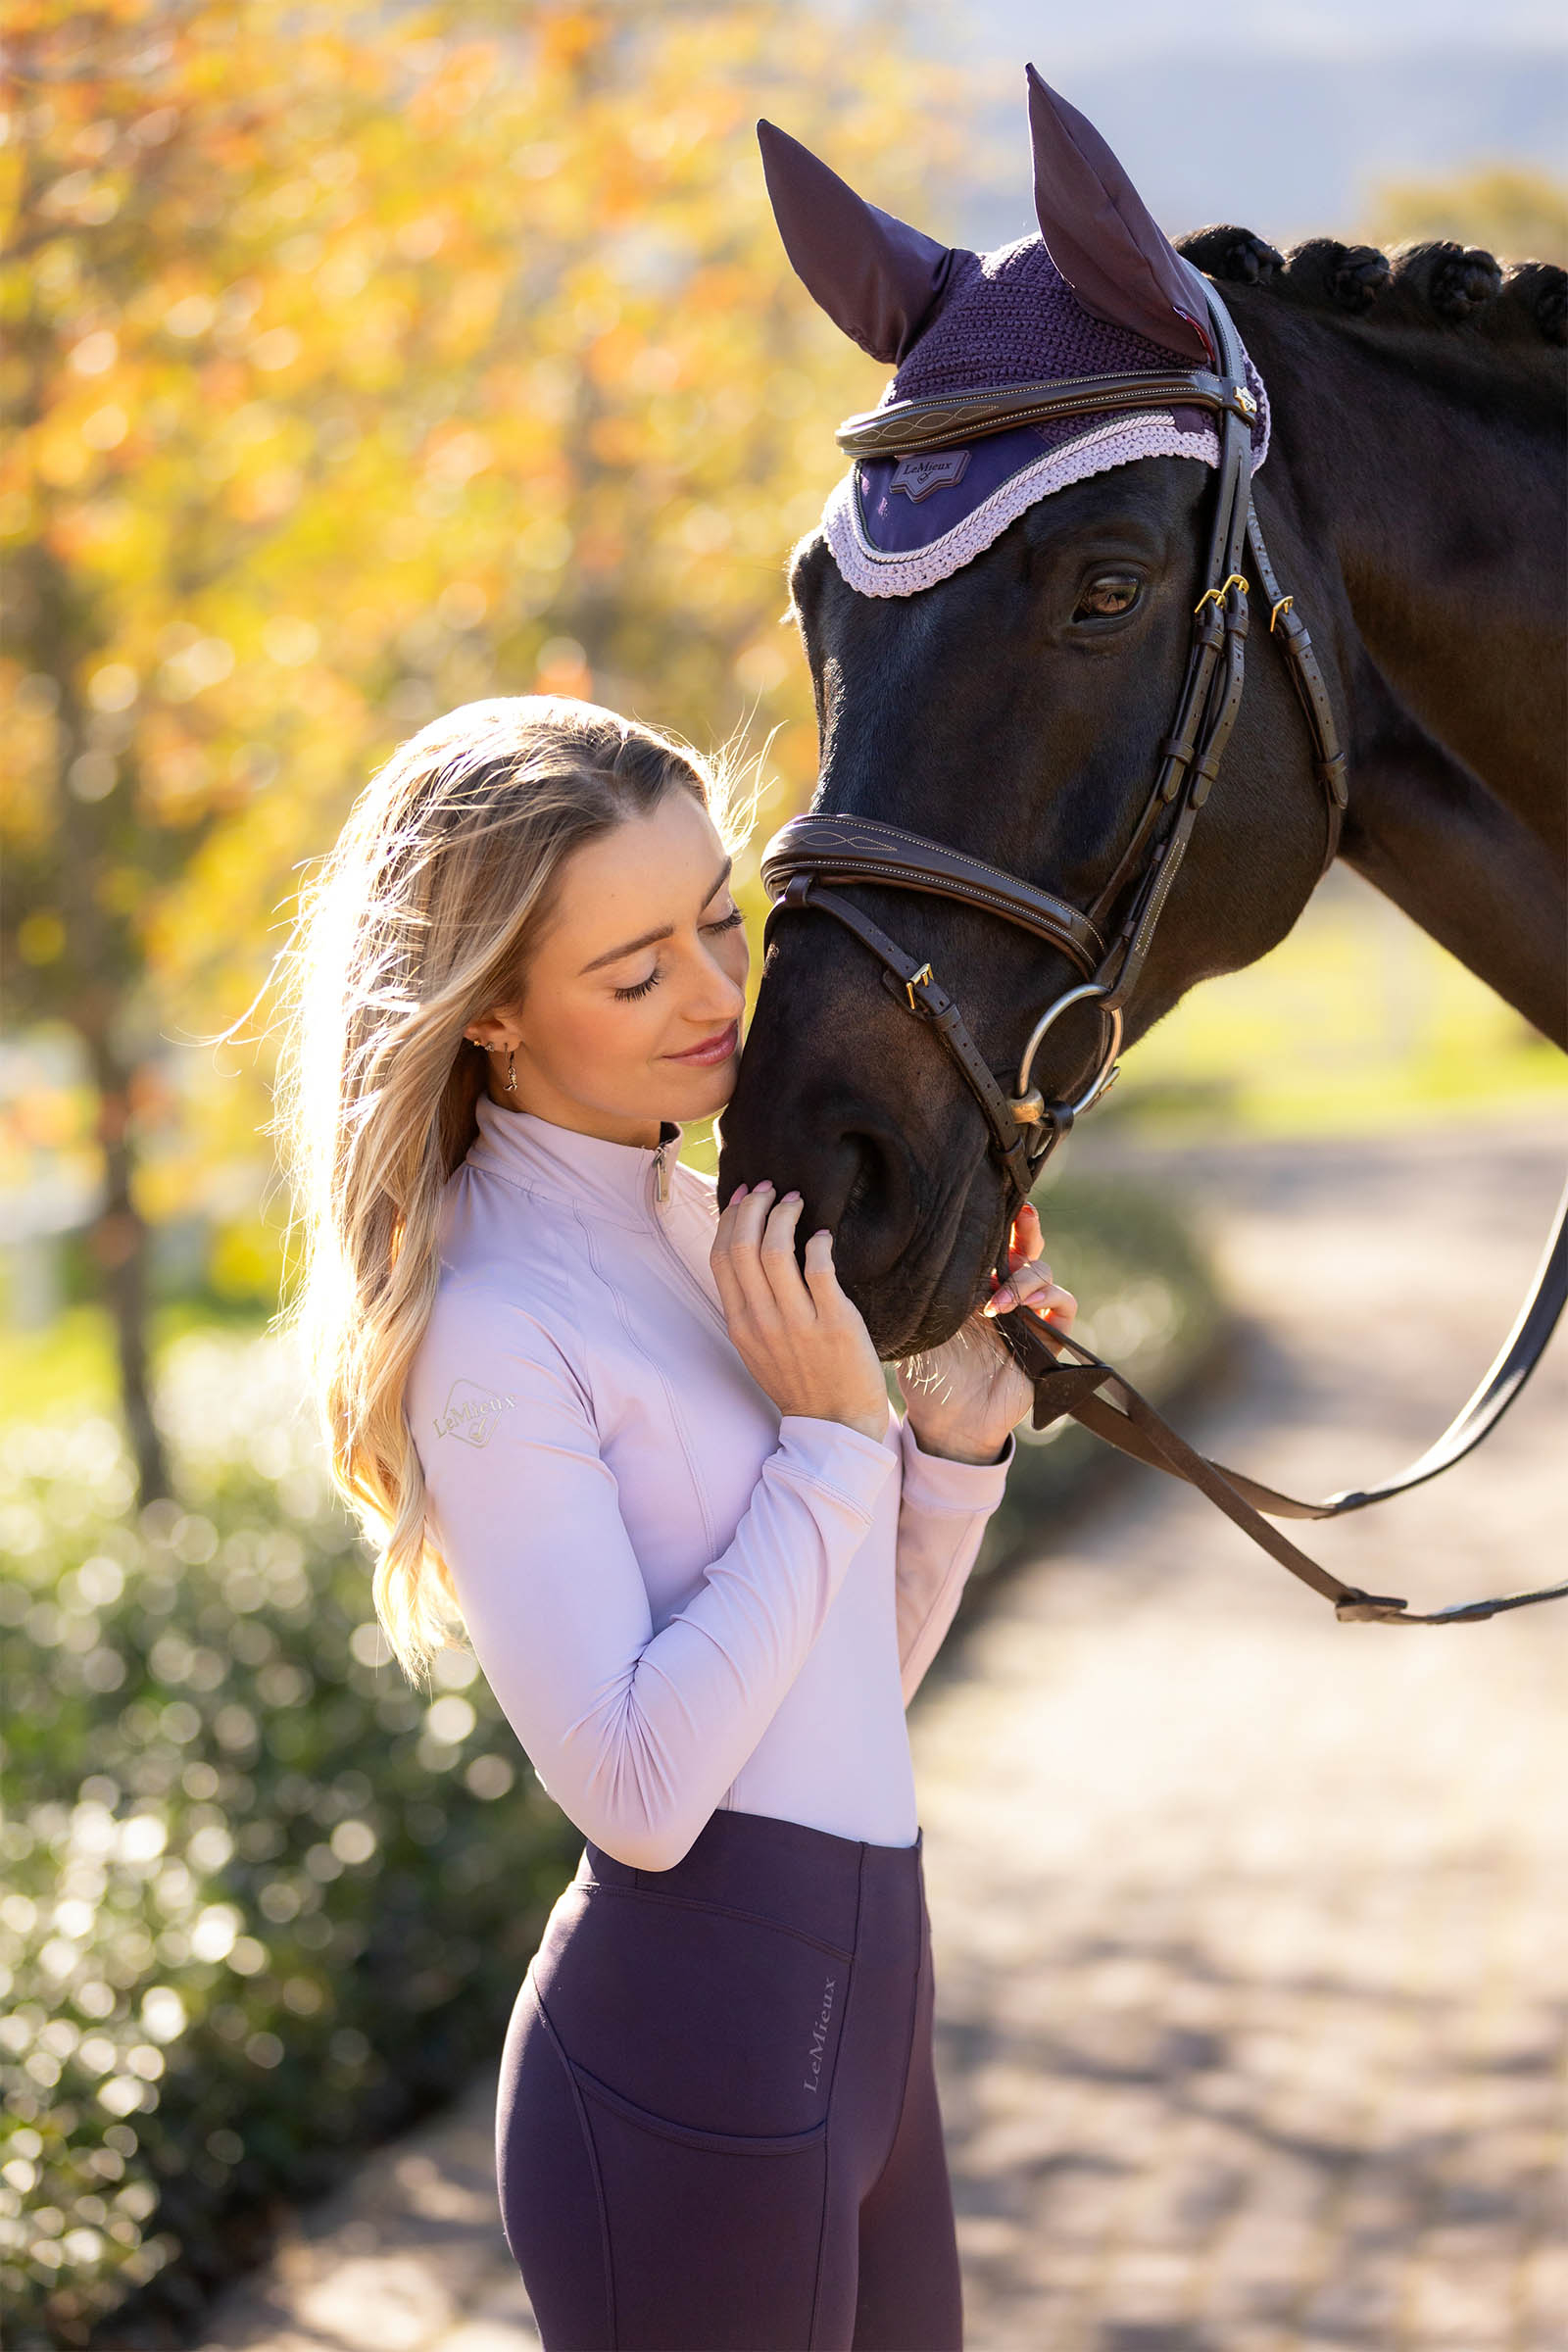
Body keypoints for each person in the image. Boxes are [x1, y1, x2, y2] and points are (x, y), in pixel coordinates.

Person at [277, 695, 1075, 2351]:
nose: (717, 996)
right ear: (492, 1013)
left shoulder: (722, 1233)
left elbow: (832, 1702)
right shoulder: (494, 1324)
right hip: (688, 2081)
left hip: (867, 2034)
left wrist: (951, 1446)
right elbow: (639, 1792)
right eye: (636, 972)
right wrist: (834, 1445)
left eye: (723, 921)